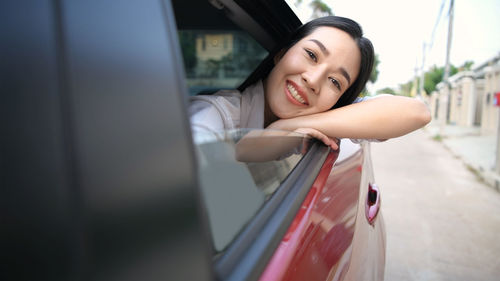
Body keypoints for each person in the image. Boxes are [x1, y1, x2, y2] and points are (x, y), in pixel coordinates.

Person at [189, 16, 431, 151]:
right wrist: (261, 143)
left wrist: (289, 125)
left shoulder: (326, 115)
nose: (313, 80)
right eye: (312, 55)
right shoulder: (217, 114)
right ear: (281, 54)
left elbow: (417, 113)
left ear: (338, 101)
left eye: (335, 82)